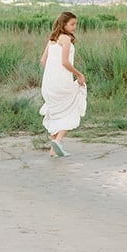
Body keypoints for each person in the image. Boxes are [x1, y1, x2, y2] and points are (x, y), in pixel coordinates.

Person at [39, 11, 87, 156]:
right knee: (74, 104)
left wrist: (52, 72)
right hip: (61, 82)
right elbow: (65, 62)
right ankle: (58, 141)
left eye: (75, 24)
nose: (74, 27)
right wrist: (79, 74)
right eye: (72, 24)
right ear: (63, 24)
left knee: (57, 112)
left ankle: (53, 150)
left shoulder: (52, 39)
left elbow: (42, 62)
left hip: (48, 84)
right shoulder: (65, 39)